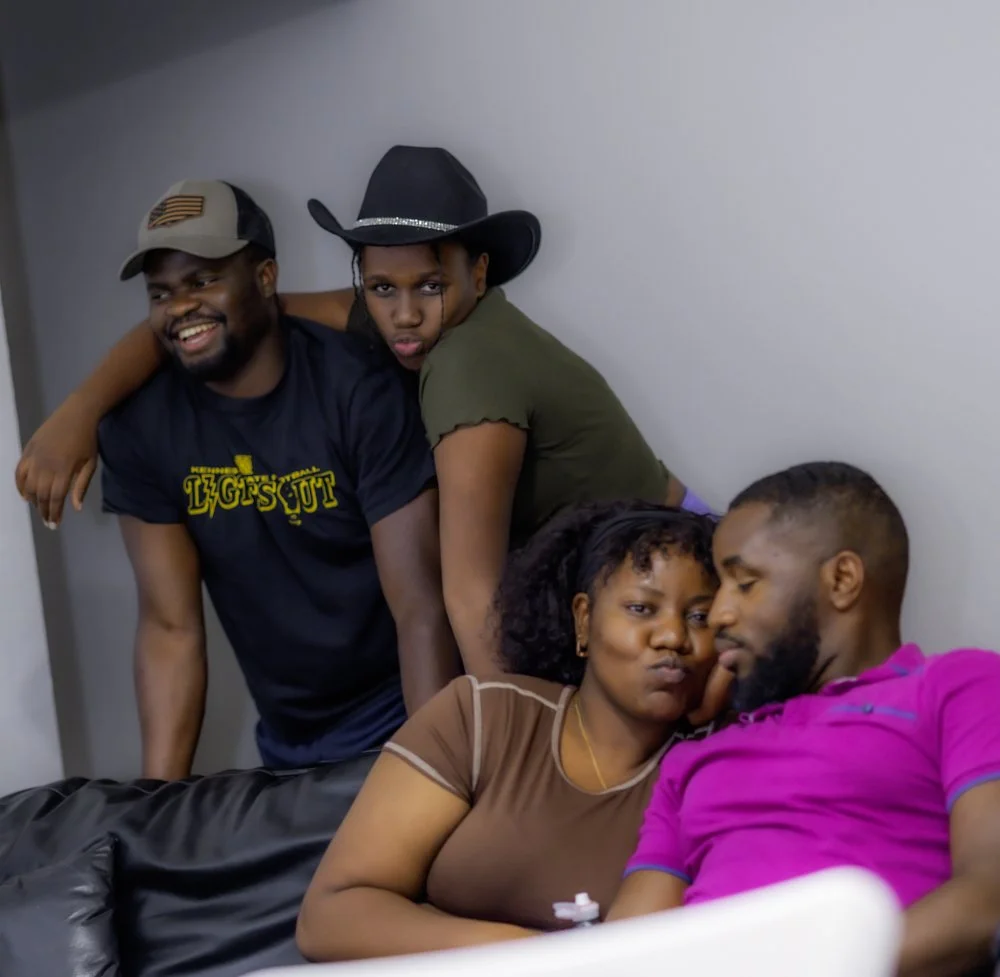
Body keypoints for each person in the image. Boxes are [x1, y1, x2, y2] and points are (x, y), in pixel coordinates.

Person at [15, 146, 713, 677]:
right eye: (381, 286)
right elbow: (216, 315)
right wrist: (79, 411)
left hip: (679, 577)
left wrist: (514, 767)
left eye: (429, 284)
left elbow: (469, 595)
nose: (404, 314)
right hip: (637, 578)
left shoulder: (465, 366)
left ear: (479, 272)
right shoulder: (413, 325)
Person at [96, 179, 460, 779]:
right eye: (161, 293)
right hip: (290, 744)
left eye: (202, 280)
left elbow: (420, 608)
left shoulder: (360, 390)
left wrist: (429, 776)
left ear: (265, 278)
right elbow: (169, 627)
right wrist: (153, 807)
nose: (180, 306)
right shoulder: (141, 427)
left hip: (405, 711)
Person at [608, 462, 1000, 977]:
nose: (721, 614)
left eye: (745, 584)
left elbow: (987, 899)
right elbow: (626, 951)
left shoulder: (959, 686)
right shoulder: (693, 761)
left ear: (841, 580)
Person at [295, 500, 729, 961]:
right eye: (642, 608)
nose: (673, 637)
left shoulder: (711, 770)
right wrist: (531, 956)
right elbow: (331, 916)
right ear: (584, 619)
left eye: (699, 617)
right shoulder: (484, 716)